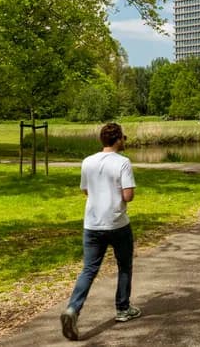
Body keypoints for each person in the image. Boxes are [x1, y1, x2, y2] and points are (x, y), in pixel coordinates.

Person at [61, 123, 140, 341]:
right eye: (123, 137)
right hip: (117, 223)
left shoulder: (88, 162)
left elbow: (86, 190)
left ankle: (72, 309)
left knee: (89, 269)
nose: (124, 141)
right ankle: (123, 309)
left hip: (92, 224)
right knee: (124, 265)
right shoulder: (123, 163)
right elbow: (128, 196)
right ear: (117, 140)